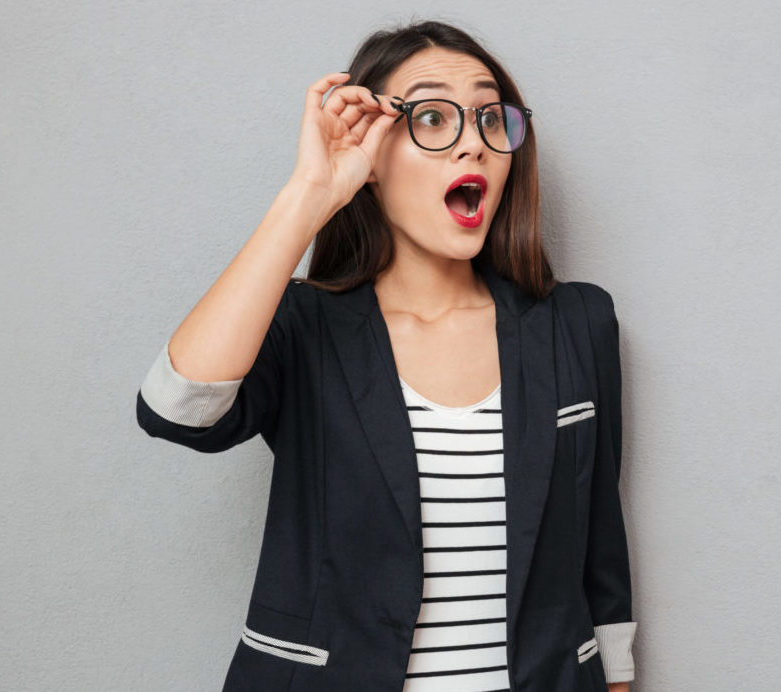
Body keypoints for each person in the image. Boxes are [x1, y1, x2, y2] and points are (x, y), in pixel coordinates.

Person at [135, 19, 636, 692]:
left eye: (491, 118)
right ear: (370, 153)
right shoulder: (305, 325)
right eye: (432, 116)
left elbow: (599, 547)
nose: (474, 144)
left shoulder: (577, 321)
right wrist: (309, 194)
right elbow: (177, 409)